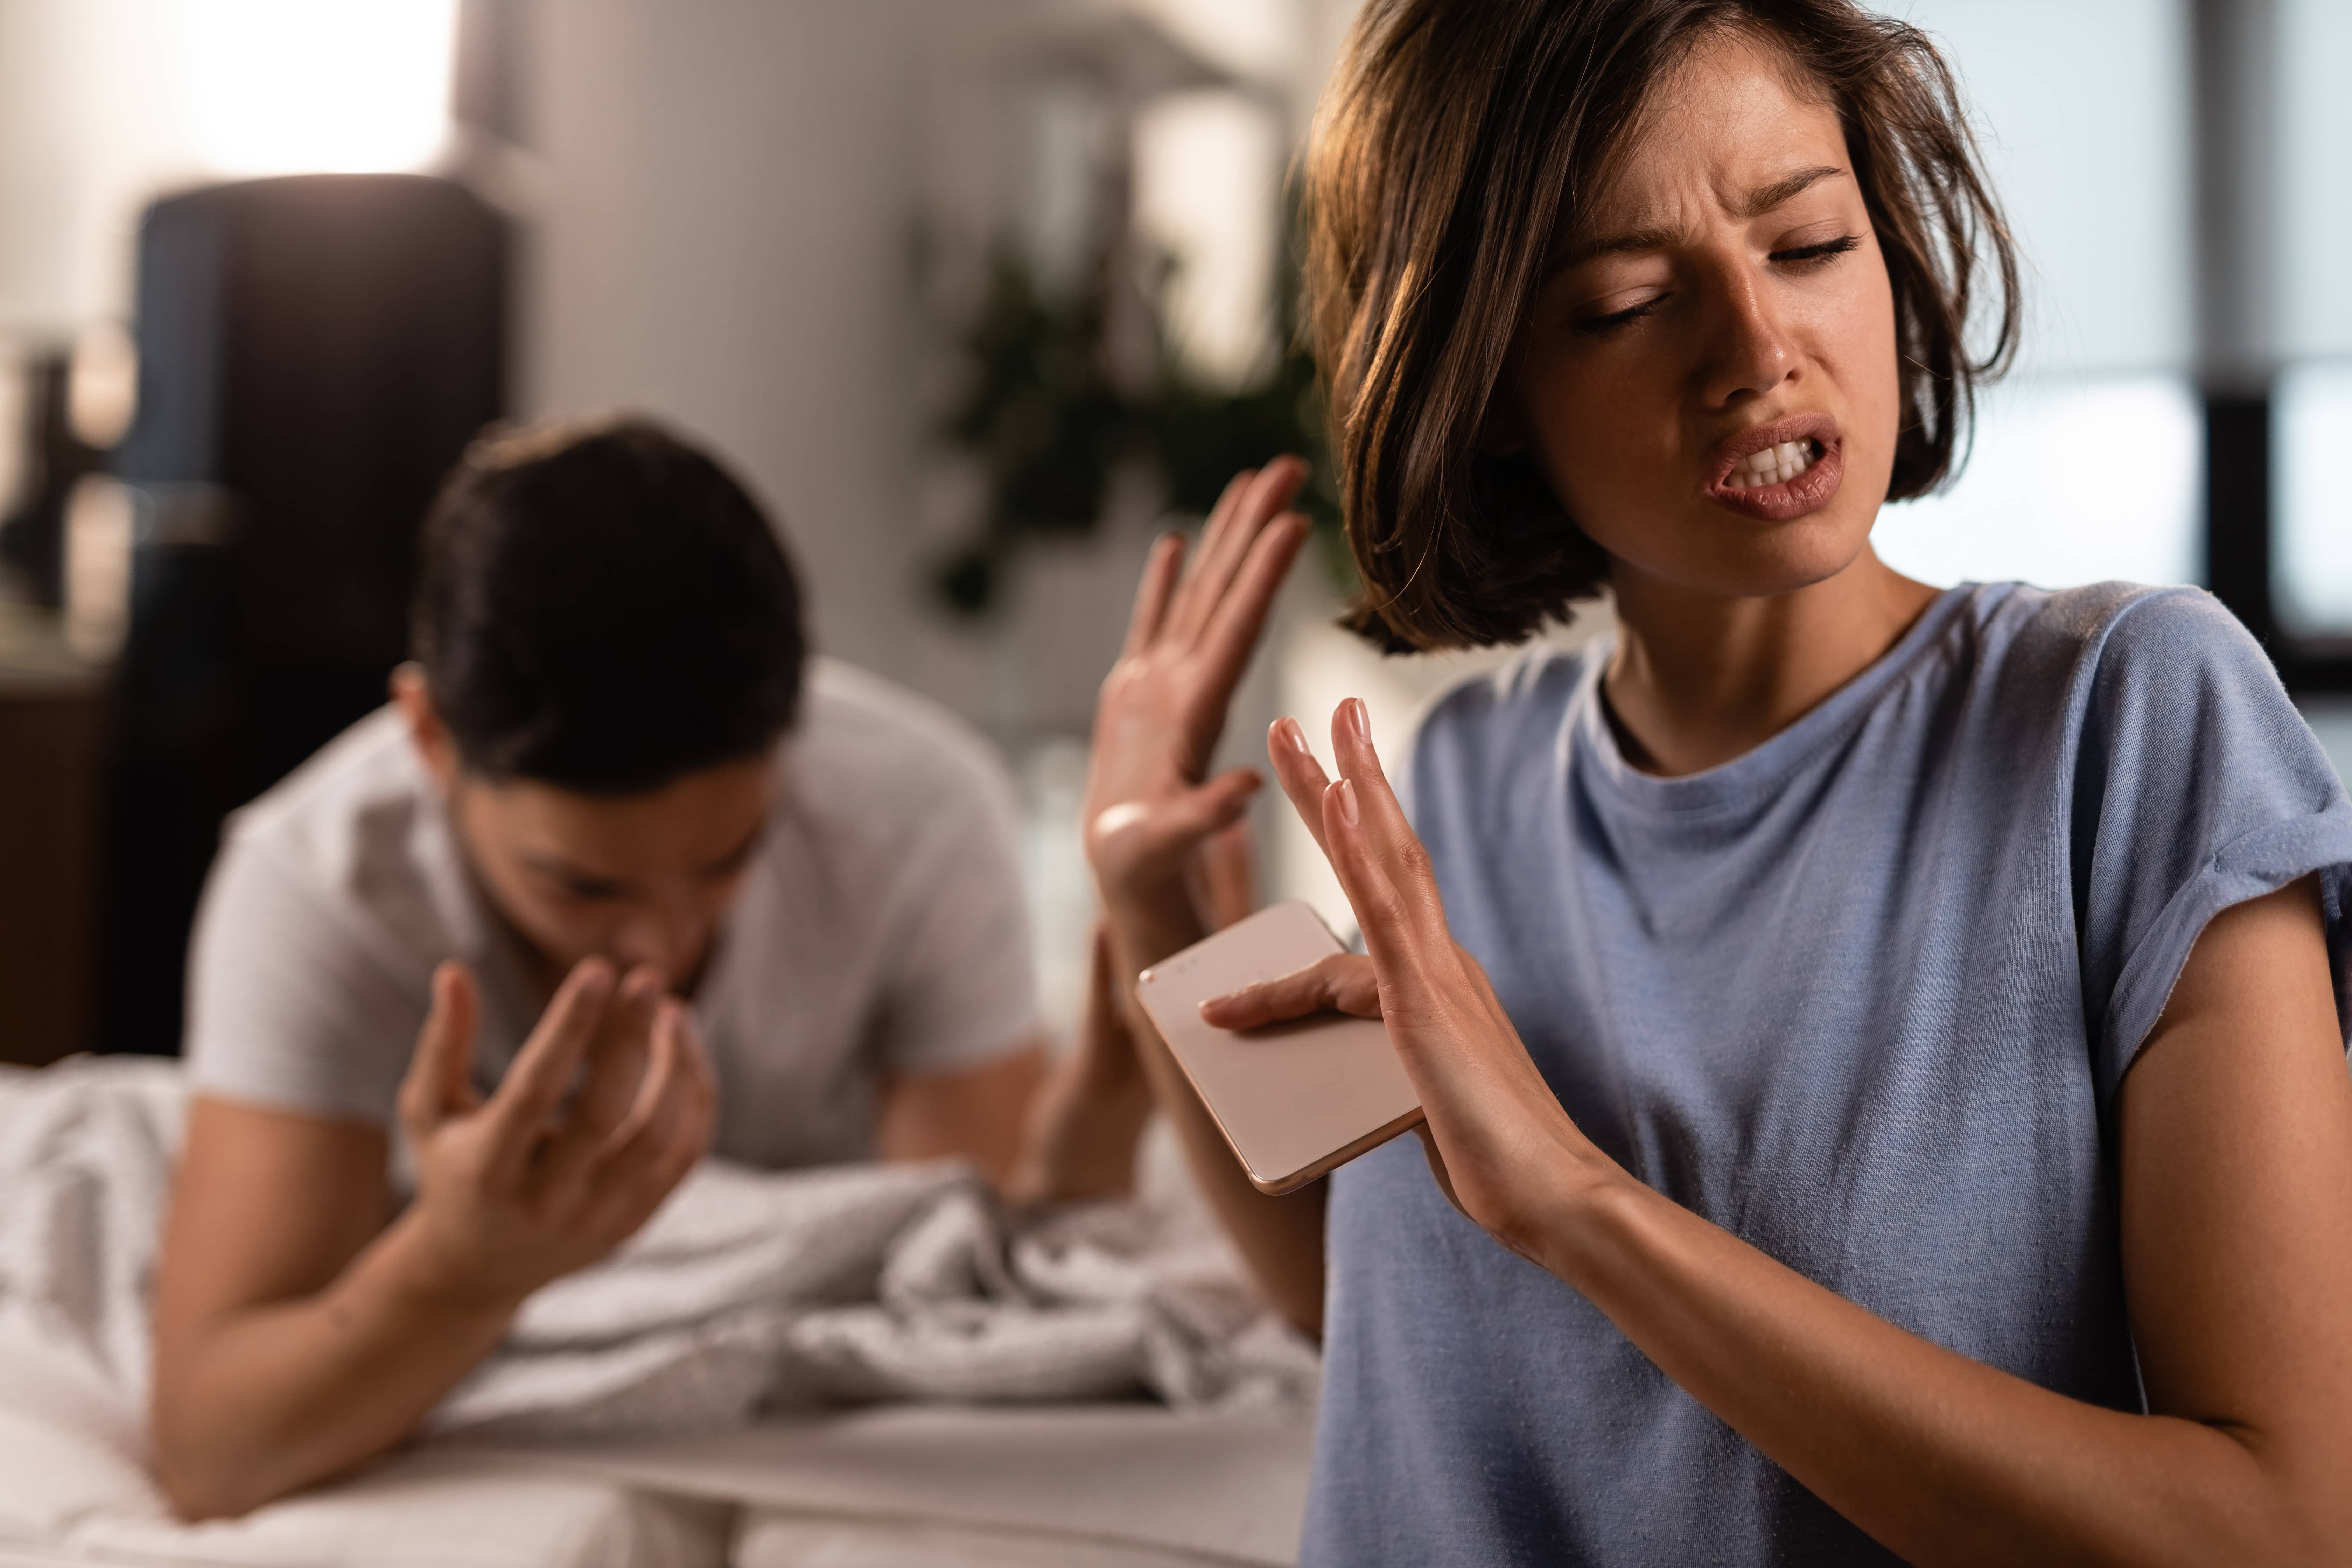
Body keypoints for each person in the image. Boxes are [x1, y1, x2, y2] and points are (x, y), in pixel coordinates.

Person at [1078, 2, 2352, 1562]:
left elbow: (2278, 1528)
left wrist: (1582, 1205)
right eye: (1623, 304)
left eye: (1808, 244)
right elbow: (1378, 1316)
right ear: (1488, 394)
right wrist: (1154, 905)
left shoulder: (2127, 720)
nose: (1760, 351)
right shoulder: (1464, 781)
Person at [149, 417, 1155, 1519]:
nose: (662, 945)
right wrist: (458, 1265)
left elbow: (955, 1300)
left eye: (727, 860)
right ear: (431, 740)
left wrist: (1075, 1178)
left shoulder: (918, 814)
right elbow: (212, 1450)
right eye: (583, 888)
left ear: (792, 733)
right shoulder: (321, 883)